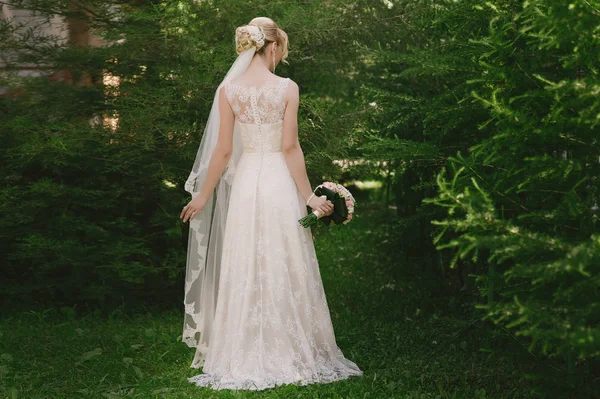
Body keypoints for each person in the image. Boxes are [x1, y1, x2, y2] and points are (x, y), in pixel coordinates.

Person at [179, 16, 363, 391]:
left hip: (247, 181)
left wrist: (203, 194)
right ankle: (292, 347)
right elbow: (290, 147)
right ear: (274, 46)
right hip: (277, 180)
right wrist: (309, 196)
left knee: (246, 257)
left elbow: (224, 150)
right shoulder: (287, 88)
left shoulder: (228, 90)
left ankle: (241, 348)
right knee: (284, 257)